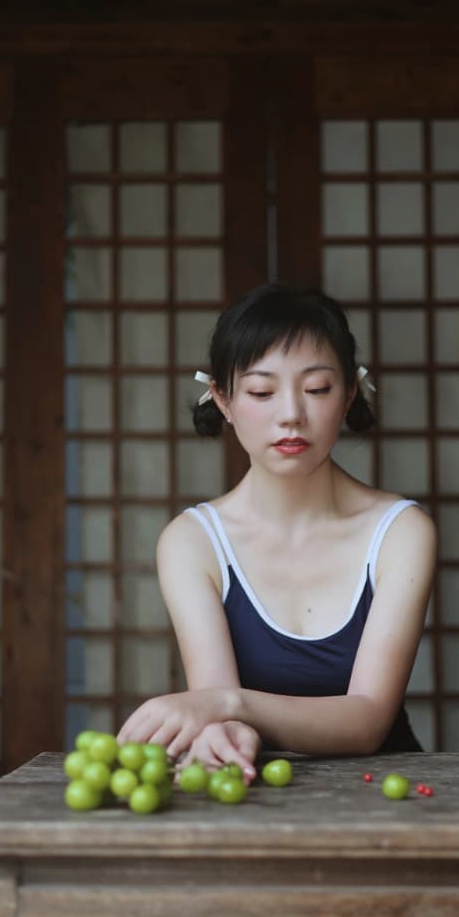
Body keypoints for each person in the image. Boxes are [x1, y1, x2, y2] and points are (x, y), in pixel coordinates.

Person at [117, 283, 437, 781]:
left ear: (350, 391)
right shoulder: (193, 542)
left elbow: (369, 720)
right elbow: (220, 718)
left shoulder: (401, 533)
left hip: (386, 799)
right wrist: (227, 730)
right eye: (262, 392)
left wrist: (228, 706)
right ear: (221, 399)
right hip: (253, 793)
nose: (291, 414)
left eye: (316, 389)